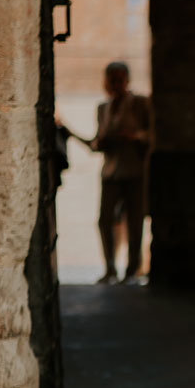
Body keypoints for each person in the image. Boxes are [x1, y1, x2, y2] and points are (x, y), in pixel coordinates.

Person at [65, 61, 151, 285]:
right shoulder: (103, 108)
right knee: (105, 220)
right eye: (111, 80)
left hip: (134, 171)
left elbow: (151, 134)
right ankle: (110, 269)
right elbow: (96, 142)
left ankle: (132, 270)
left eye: (119, 79)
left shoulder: (140, 104)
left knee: (134, 221)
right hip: (111, 173)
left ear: (127, 81)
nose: (115, 84)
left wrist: (134, 137)